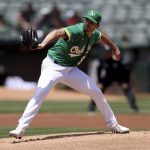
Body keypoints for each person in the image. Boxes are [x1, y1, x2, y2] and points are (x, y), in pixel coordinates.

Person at [9, 10, 130, 139]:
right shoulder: (76, 30)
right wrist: (43, 44)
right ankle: (20, 128)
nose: (88, 23)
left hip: (71, 70)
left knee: (96, 92)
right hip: (53, 66)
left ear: (97, 25)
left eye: (92, 22)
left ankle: (114, 125)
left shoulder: (95, 34)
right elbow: (56, 32)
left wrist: (114, 47)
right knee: (40, 92)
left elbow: (103, 38)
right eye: (87, 20)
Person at [88, 47, 139, 113]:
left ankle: (134, 108)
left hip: (119, 77)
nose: (107, 54)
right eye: (106, 53)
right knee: (98, 90)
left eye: (108, 53)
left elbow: (127, 70)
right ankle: (91, 108)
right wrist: (100, 82)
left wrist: (126, 82)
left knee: (127, 89)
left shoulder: (119, 59)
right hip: (108, 77)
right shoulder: (103, 60)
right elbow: (99, 70)